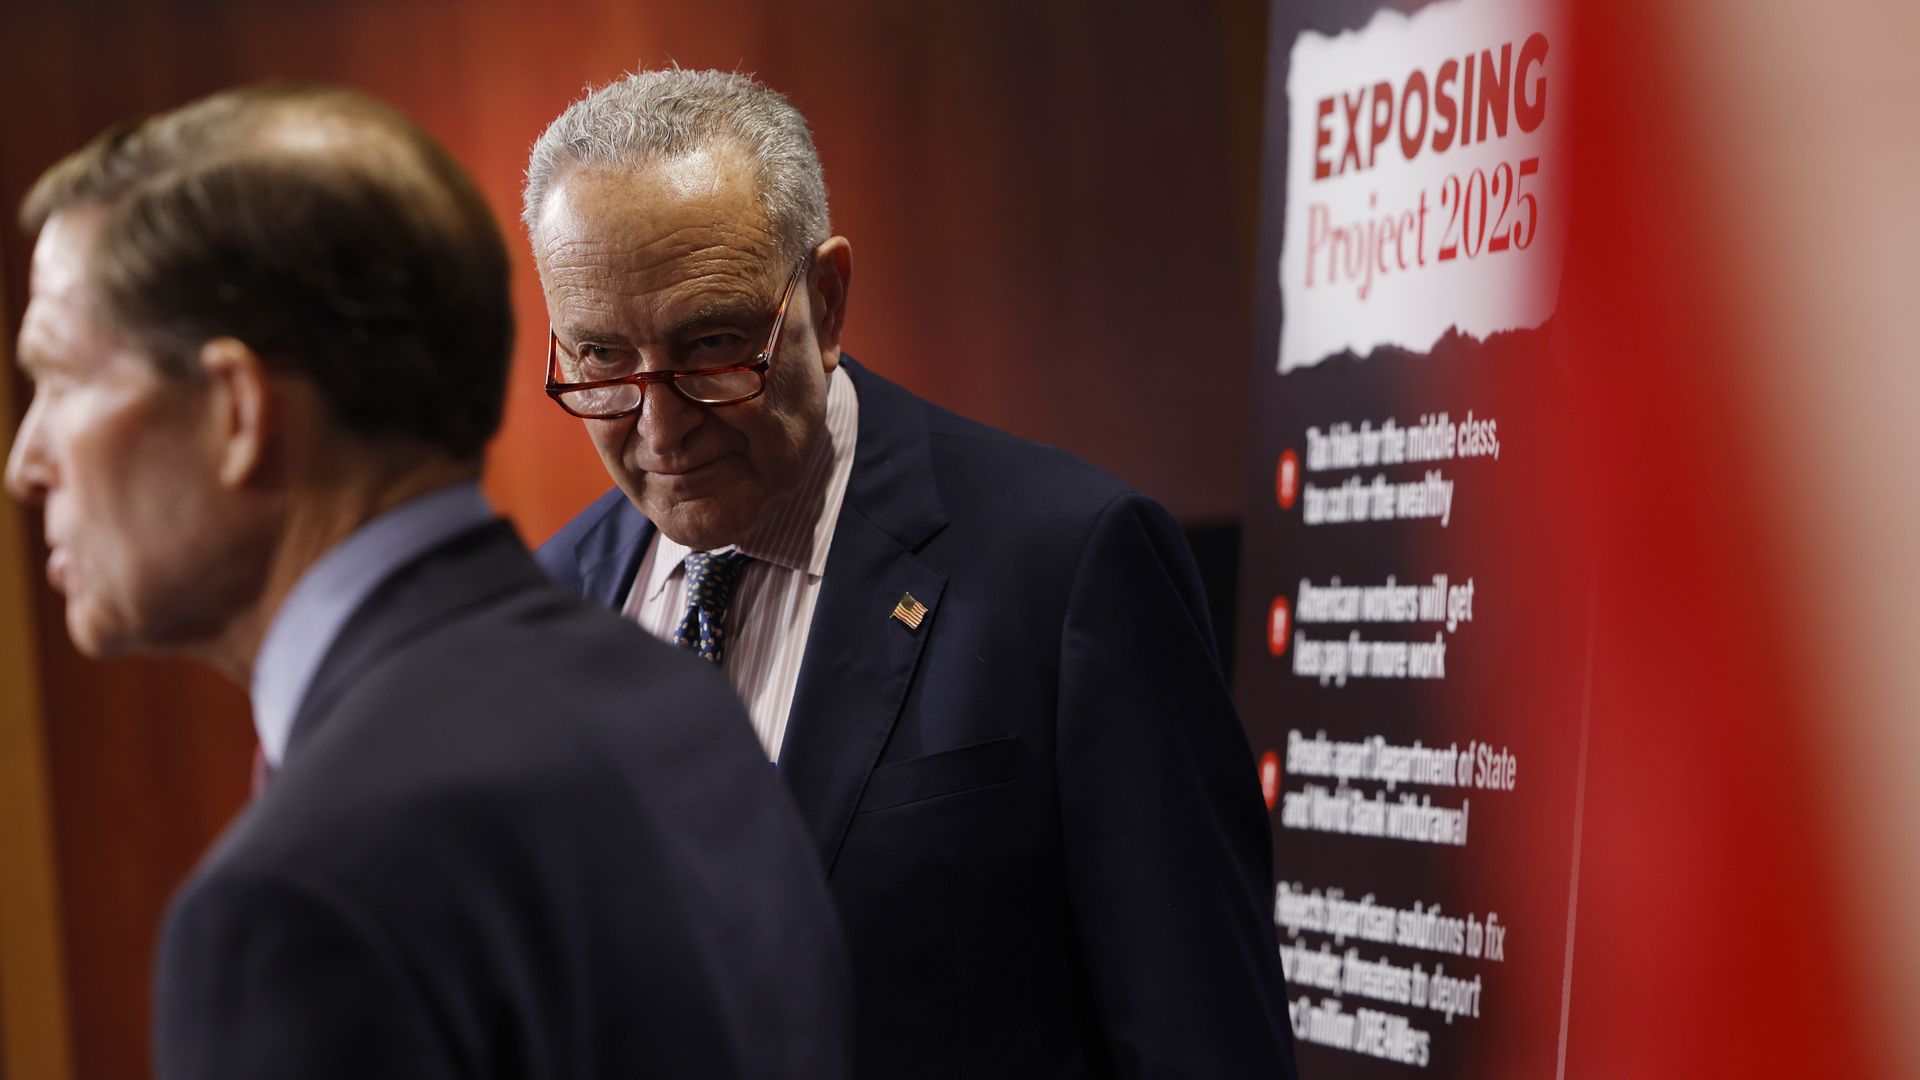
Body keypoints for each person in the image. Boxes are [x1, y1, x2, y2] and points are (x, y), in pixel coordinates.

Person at [5, 84, 849, 1079]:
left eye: (59, 379)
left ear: (238, 411)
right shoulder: (671, 696)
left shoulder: (293, 902)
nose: (26, 460)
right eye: (601, 353)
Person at [526, 69, 1297, 1079]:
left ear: (828, 298)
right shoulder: (545, 609)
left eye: (713, 346)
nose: (660, 430)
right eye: (600, 359)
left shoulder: (1070, 569)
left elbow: (1205, 1035)